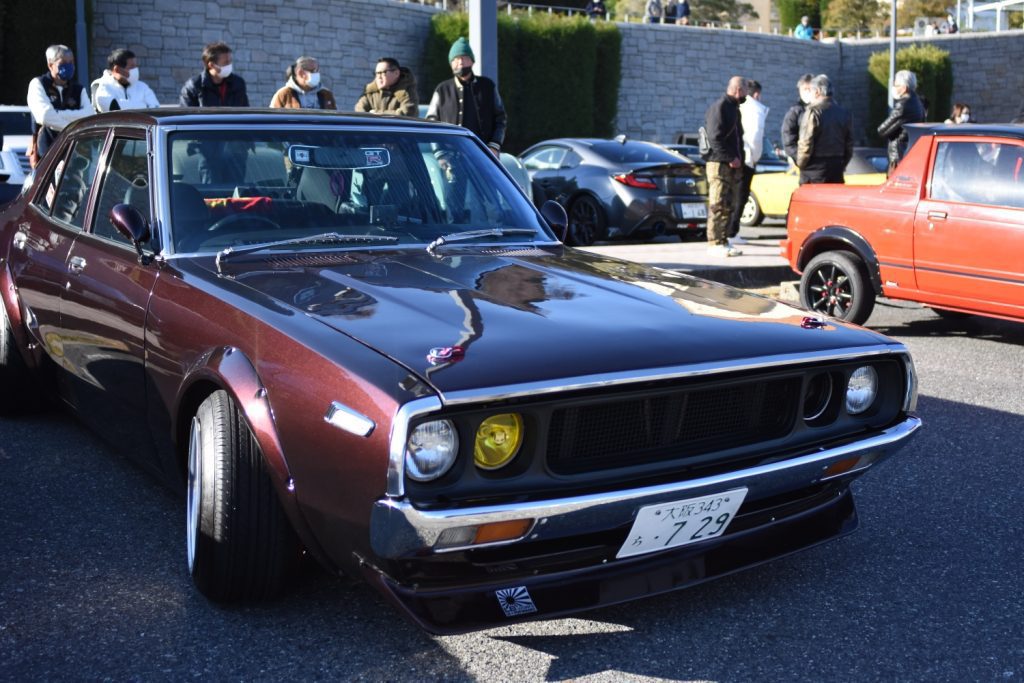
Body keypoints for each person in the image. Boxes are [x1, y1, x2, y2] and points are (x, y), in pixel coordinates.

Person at [426, 38, 507, 155]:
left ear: (472, 61)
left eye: (464, 57)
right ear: (450, 64)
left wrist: (494, 145)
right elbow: (431, 122)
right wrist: (439, 152)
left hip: (484, 154)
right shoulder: (442, 89)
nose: (460, 62)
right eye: (455, 59)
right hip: (450, 156)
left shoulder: (487, 86)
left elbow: (501, 118)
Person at [26, 44, 92, 168]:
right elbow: (44, 116)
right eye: (63, 63)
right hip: (47, 151)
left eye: (71, 62)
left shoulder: (78, 89)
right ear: (50, 65)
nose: (69, 66)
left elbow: (89, 115)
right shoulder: (38, 84)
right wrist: (74, 125)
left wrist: (57, 114)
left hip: (74, 151)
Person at [703, 76, 747, 257]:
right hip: (718, 164)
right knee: (718, 204)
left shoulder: (734, 109)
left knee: (729, 203)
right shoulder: (721, 107)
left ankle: (723, 240)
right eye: (744, 90)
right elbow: (715, 137)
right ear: (737, 90)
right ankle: (714, 242)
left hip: (731, 165)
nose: (746, 94)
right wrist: (730, 157)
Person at [728, 79, 769, 245]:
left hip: (736, 155)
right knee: (741, 196)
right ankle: (732, 232)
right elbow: (755, 136)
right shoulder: (755, 109)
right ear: (757, 94)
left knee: (733, 195)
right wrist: (753, 158)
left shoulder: (738, 106)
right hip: (747, 158)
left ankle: (729, 231)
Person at [796, 74, 853, 185]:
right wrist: (842, 164)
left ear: (817, 92)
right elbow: (849, 144)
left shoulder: (813, 112)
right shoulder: (844, 113)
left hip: (814, 169)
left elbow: (805, 143)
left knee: (810, 201)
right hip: (836, 166)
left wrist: (801, 164)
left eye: (811, 91)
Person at [877, 69, 925, 173]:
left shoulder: (903, 104)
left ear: (903, 88)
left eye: (896, 85)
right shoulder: (918, 102)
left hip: (899, 156)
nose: (894, 88)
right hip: (911, 153)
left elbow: (882, 130)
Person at [179, 42, 249, 107]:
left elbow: (245, 113)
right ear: (211, 65)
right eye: (225, 63)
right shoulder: (193, 87)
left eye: (230, 62)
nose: (229, 66)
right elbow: (187, 116)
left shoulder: (238, 83)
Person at [91, 48, 160, 113]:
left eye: (136, 66)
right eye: (132, 67)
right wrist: (144, 106)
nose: (136, 70)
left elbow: (156, 109)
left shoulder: (143, 87)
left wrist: (123, 105)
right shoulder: (101, 85)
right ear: (117, 69)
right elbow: (112, 110)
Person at [270, 56, 337, 109]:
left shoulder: (326, 94)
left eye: (318, 71)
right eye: (313, 71)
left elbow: (335, 120)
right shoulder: (283, 95)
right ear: (300, 73)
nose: (317, 74)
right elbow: (272, 121)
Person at [781, 74, 814, 164]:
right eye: (805, 89)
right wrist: (800, 158)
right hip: (803, 162)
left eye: (810, 89)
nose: (807, 92)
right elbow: (788, 137)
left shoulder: (822, 110)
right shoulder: (795, 112)